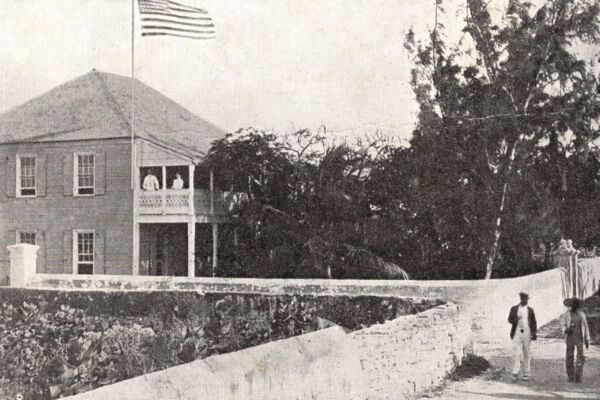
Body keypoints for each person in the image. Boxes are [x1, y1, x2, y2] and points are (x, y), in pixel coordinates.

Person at [559, 298, 590, 383]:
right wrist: (565, 330)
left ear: (577, 306)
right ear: (570, 306)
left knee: (580, 357)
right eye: (572, 305)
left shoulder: (581, 314)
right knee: (569, 356)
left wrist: (587, 339)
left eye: (575, 305)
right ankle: (570, 376)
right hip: (570, 337)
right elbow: (562, 323)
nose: (573, 307)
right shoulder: (566, 315)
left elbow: (586, 327)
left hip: (579, 337)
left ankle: (578, 376)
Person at [507, 292, 537, 381]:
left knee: (527, 353)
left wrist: (534, 333)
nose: (526, 301)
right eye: (525, 299)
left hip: (527, 332)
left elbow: (534, 322)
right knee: (516, 352)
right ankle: (515, 372)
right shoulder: (514, 308)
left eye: (527, 299)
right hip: (517, 331)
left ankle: (526, 373)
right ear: (521, 299)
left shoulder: (530, 310)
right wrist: (515, 320)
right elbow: (509, 319)